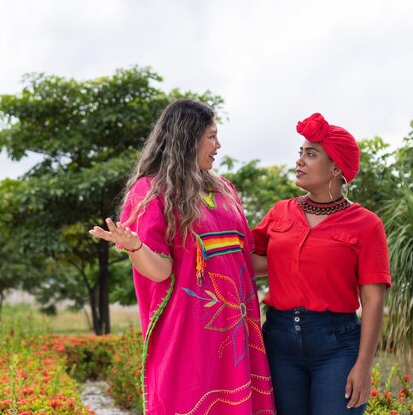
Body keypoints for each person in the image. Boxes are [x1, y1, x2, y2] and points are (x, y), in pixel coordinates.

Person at [89, 99, 276, 415]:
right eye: (211, 136)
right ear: (188, 139)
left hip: (238, 336)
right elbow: (160, 272)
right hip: (190, 337)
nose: (218, 145)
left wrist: (313, 252)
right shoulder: (151, 191)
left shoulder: (226, 191)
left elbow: (245, 262)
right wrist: (135, 247)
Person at [251, 113, 391, 415]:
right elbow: (252, 263)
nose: (300, 160)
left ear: (336, 168)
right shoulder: (280, 212)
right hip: (279, 341)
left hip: (337, 346)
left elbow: (373, 298)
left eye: (311, 154)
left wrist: (364, 366)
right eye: (300, 153)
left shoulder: (367, 225)